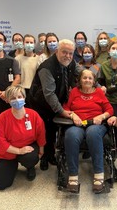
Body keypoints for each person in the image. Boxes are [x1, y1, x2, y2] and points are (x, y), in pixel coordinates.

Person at [29, 39, 79, 171]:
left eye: (70, 53)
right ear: (57, 51)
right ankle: (44, 157)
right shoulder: (47, 67)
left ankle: (51, 155)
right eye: (64, 52)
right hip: (41, 103)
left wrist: (97, 86)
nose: (67, 56)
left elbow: (82, 73)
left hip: (56, 100)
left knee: (52, 129)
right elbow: (49, 94)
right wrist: (61, 111)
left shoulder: (71, 62)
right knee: (44, 130)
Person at [63, 69, 114, 193]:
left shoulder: (98, 93)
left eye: (90, 78)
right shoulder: (74, 92)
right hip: (78, 124)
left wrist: (101, 117)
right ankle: (73, 176)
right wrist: (72, 115)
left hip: (96, 124)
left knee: (92, 133)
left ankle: (99, 174)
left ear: (94, 81)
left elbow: (110, 110)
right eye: (84, 78)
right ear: (80, 80)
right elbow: (66, 108)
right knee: (71, 134)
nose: (87, 80)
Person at [0, 85, 46, 190]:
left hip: (28, 148)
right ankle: (13, 164)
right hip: (8, 151)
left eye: (19, 97)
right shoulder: (2, 118)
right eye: (13, 98)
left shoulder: (33, 115)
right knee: (1, 185)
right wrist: (19, 151)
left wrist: (41, 151)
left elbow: (41, 134)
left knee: (30, 158)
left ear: (24, 98)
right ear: (7, 100)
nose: (17, 100)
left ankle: (30, 167)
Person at [15, 34, 39, 105]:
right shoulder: (18, 59)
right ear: (23, 44)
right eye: (27, 42)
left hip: (35, 90)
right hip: (22, 90)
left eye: (31, 43)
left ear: (34, 44)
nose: (29, 44)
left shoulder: (39, 59)